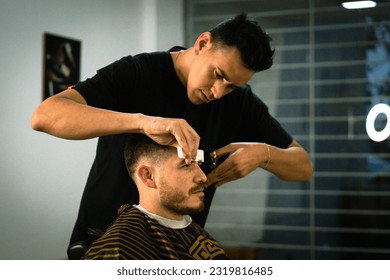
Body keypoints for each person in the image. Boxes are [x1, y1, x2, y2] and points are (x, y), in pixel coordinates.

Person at [30, 13, 313, 259]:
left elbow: (303, 166)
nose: (218, 92)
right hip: (105, 243)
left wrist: (263, 154)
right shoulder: (138, 73)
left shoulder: (239, 103)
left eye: (231, 86)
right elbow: (45, 116)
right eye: (217, 75)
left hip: (178, 250)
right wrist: (142, 123)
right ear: (203, 43)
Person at [84, 133, 228, 260]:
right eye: (186, 165)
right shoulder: (121, 250)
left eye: (199, 164)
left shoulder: (191, 230)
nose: (203, 177)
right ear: (148, 176)